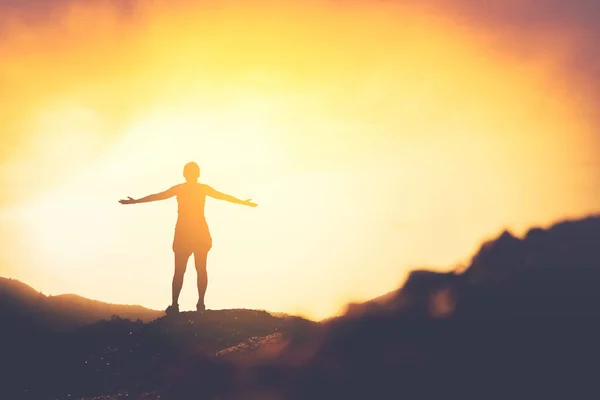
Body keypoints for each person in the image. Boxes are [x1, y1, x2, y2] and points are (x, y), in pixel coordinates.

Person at [119, 162, 257, 315]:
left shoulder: (180, 188)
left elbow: (158, 196)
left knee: (180, 270)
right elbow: (223, 197)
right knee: (200, 268)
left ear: (185, 174)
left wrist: (136, 201)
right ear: (198, 174)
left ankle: (175, 305)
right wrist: (243, 202)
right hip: (198, 232)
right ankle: (200, 304)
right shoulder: (202, 188)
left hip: (184, 232)